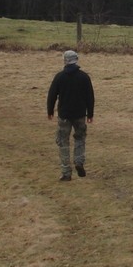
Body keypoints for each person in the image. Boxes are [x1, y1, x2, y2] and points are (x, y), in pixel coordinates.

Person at [47, 50, 95, 181]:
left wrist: (50, 111)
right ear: (76, 60)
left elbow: (52, 95)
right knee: (80, 139)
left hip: (64, 116)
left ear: (65, 61)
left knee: (63, 142)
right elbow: (90, 97)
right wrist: (90, 113)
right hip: (80, 115)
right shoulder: (84, 77)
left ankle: (66, 172)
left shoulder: (59, 77)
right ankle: (79, 162)